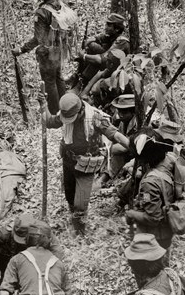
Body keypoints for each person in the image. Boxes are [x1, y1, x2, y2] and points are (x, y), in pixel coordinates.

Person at [40, 91, 130, 235]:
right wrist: (43, 105)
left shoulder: (95, 117)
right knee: (69, 194)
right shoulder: (66, 114)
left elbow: (114, 134)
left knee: (81, 202)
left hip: (86, 164)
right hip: (68, 161)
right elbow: (50, 122)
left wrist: (132, 145)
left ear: (81, 110)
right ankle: (73, 215)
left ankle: (80, 230)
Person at [12, 0, 77, 115]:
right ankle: (65, 106)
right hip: (60, 47)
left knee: (49, 81)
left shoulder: (42, 12)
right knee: (58, 76)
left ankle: (54, 112)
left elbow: (39, 38)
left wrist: (21, 49)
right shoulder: (59, 3)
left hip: (48, 51)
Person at [125, 127, 177, 251]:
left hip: (156, 237)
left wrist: (131, 214)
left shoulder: (149, 183)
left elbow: (154, 218)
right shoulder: (169, 158)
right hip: (168, 226)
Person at [0, 213, 65, 281]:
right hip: (8, 259)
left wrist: (46, 272)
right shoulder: (5, 233)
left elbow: (57, 251)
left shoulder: (43, 233)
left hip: (32, 264)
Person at [77, 13, 129, 87]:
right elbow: (98, 38)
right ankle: (81, 78)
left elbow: (101, 60)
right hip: (110, 64)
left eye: (109, 25)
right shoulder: (113, 34)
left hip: (120, 73)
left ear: (117, 29)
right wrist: (90, 42)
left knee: (95, 61)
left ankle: (83, 83)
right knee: (92, 48)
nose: (105, 27)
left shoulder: (122, 41)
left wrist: (84, 56)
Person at [100, 94, 137, 185]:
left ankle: (105, 177)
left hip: (137, 153)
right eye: (119, 111)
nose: (120, 115)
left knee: (115, 153)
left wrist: (108, 149)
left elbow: (127, 146)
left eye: (123, 112)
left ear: (132, 112)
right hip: (128, 150)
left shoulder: (138, 123)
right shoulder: (123, 122)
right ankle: (103, 174)